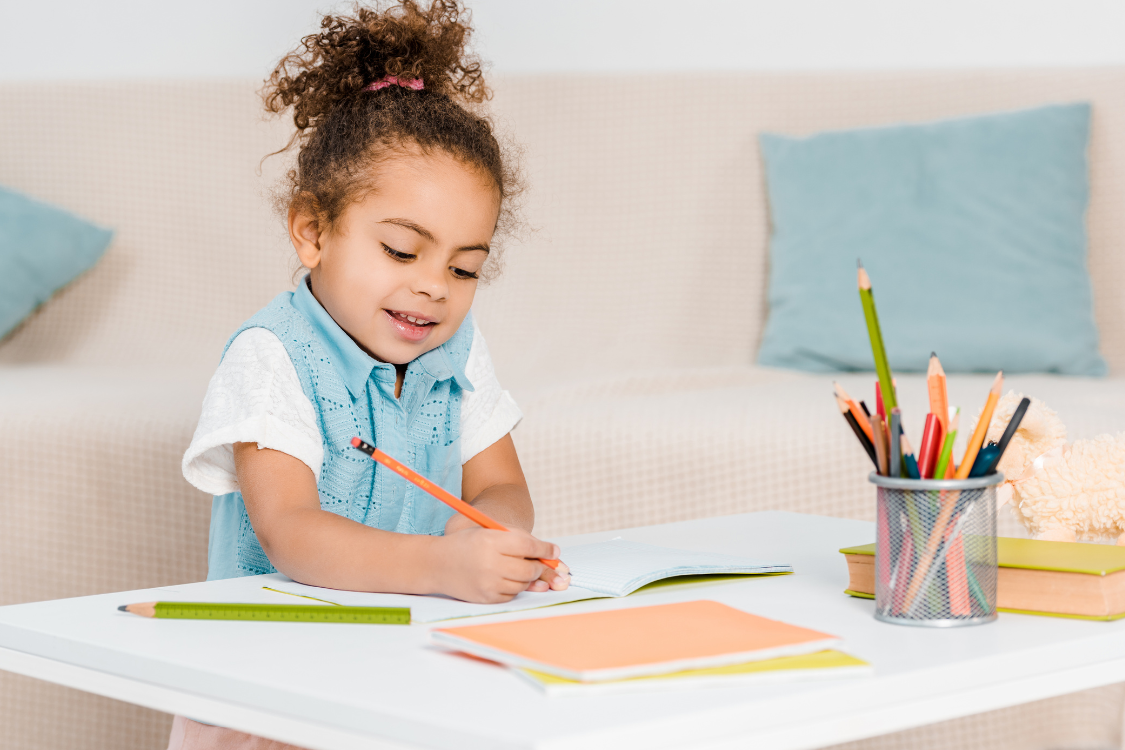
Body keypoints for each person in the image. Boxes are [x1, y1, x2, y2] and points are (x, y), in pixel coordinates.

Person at [176, 2, 568, 746]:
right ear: (312, 231)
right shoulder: (272, 356)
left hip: (397, 661)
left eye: (463, 268)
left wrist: (489, 534)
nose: (433, 286)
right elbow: (290, 531)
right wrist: (444, 564)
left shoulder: (457, 350)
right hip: (271, 683)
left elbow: (502, 487)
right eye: (400, 250)